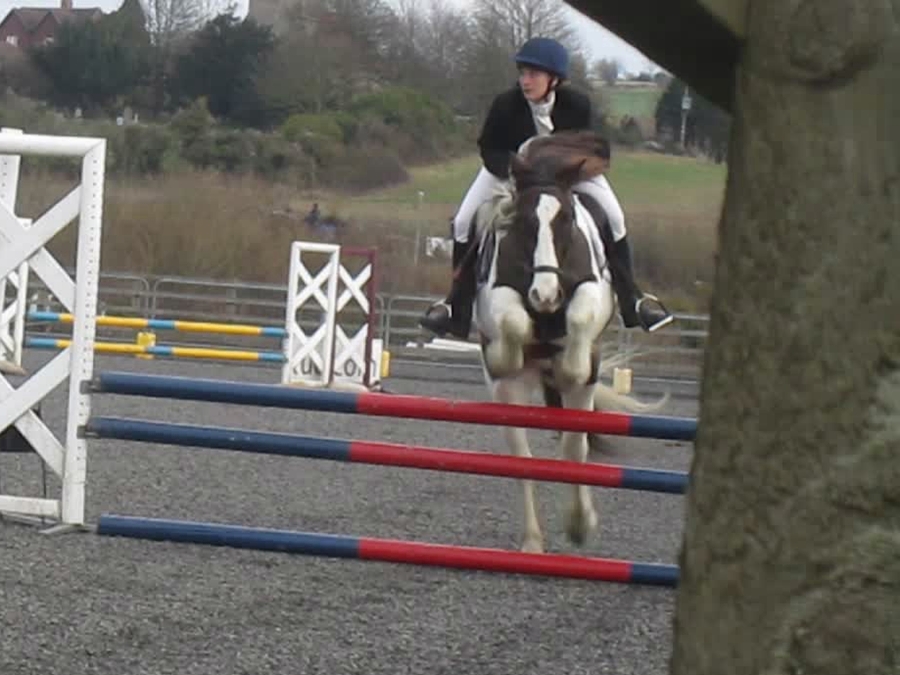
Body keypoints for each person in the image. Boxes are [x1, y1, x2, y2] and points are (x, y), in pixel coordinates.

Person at [419, 36, 673, 339]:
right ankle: (455, 308)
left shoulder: (577, 105)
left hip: (568, 176)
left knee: (615, 217)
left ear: (554, 79)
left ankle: (633, 301)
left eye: (533, 74)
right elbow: (489, 148)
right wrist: (514, 172)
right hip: (512, 174)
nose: (525, 81)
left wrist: (567, 172)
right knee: (463, 221)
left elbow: (592, 147)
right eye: (523, 73)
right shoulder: (505, 104)